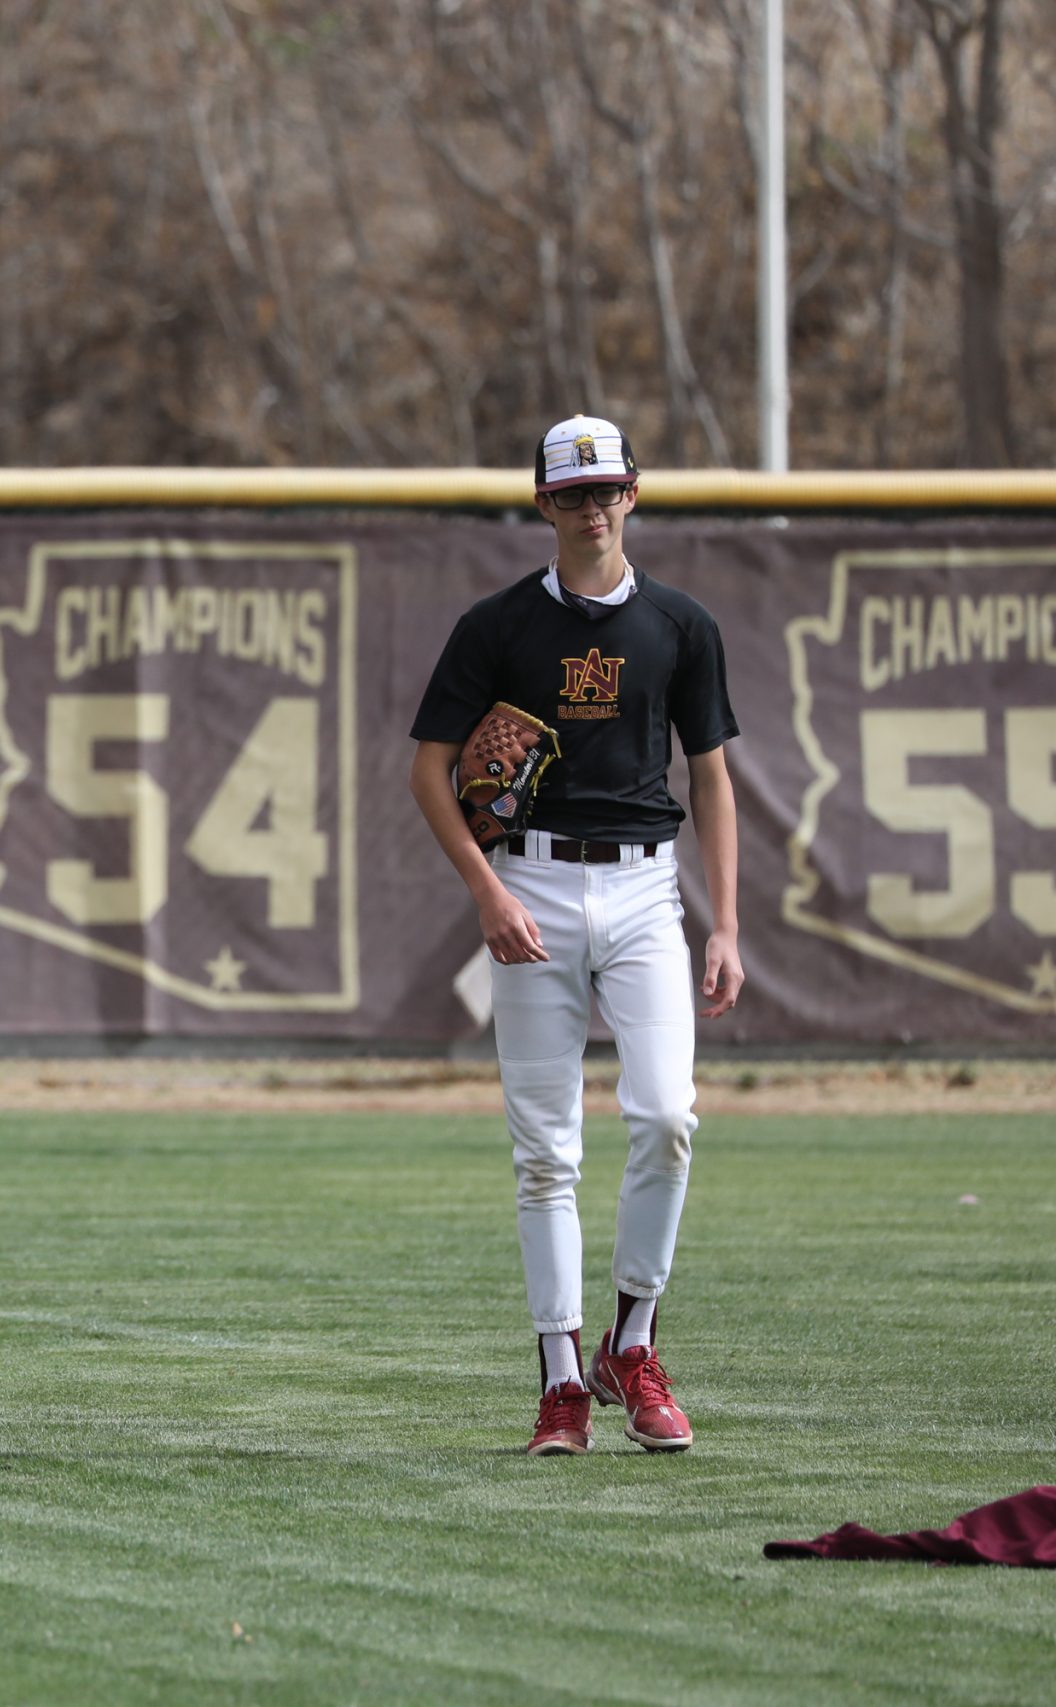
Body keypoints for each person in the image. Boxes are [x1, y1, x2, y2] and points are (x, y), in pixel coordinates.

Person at [406, 415, 744, 1457]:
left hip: (647, 891)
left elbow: (711, 777)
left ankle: (630, 1345)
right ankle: (559, 1377)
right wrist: (484, 890)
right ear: (542, 504)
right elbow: (429, 769)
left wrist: (725, 922)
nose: (592, 507)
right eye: (572, 493)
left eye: (608, 489)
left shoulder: (680, 626)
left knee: (667, 1117)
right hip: (533, 883)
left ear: (633, 495)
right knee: (544, 1152)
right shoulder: (498, 626)